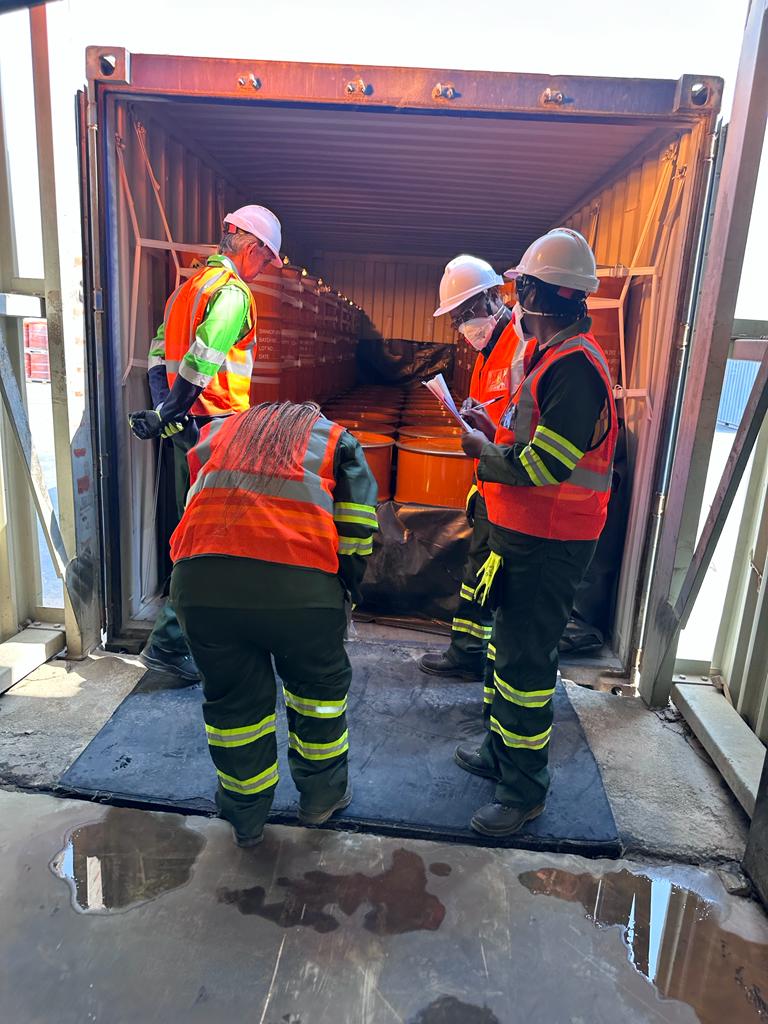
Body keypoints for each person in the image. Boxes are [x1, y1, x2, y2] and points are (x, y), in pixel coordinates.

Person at [457, 228, 617, 837]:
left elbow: (547, 464)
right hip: (524, 532)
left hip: (551, 541)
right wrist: (490, 429)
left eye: (520, 289)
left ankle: (522, 790)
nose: (514, 301)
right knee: (507, 646)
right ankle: (501, 753)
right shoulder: (551, 357)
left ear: (536, 295)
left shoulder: (574, 367)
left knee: (525, 663)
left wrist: (483, 453)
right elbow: (529, 438)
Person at [169, 400, 379, 847]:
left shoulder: (216, 433)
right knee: (317, 698)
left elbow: (188, 504)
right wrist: (346, 590)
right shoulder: (335, 440)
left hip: (201, 589)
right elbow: (358, 531)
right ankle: (321, 798)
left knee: (233, 706)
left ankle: (245, 815)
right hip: (301, 595)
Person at [129, 205, 282, 680]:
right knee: (212, 537)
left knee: (194, 531)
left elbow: (157, 353)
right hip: (215, 430)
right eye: (267, 259)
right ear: (251, 247)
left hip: (186, 431)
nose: (265, 269)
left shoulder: (188, 289)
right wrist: (173, 410)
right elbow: (205, 357)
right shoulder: (232, 293)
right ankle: (169, 643)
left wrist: (166, 412)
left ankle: (198, 633)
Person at [419, 255, 525, 681]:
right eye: (457, 320)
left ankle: (480, 659)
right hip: (491, 484)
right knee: (476, 574)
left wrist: (489, 436)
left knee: (495, 580)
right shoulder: (488, 352)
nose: (464, 327)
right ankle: (466, 652)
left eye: (467, 314)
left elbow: (524, 426)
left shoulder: (520, 346)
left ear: (491, 299)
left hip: (512, 485)